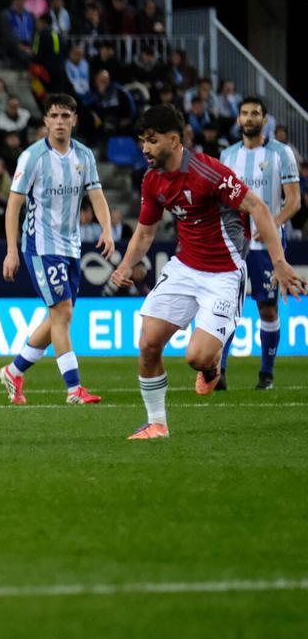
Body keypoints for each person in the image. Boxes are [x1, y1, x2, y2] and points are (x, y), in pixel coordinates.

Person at [110, 105, 306, 440]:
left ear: (174, 140)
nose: (145, 149)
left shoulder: (208, 172)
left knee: (196, 358)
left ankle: (211, 366)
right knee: (147, 344)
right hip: (185, 267)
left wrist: (279, 262)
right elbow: (144, 232)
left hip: (223, 274)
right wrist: (125, 266)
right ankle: (157, 424)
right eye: (143, 141)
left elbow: (257, 207)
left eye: (152, 141)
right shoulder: (152, 179)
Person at [0, 94, 114, 405]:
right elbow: (13, 207)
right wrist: (12, 251)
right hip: (40, 246)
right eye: (54, 116)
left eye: (65, 116)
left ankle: (14, 371)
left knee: (58, 317)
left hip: (71, 247)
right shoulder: (33, 157)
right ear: (45, 121)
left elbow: (97, 196)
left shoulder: (85, 156)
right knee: (62, 312)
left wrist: (106, 229)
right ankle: (74, 389)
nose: (60, 122)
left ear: (74, 119)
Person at [217, 96, 302, 390]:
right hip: (233, 245)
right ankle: (219, 372)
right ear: (239, 119)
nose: (249, 118)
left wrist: (271, 225)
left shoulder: (282, 154)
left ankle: (266, 373)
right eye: (244, 113)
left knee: (267, 309)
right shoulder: (227, 156)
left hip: (268, 247)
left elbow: (294, 202)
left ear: (265, 120)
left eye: (255, 113)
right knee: (226, 306)